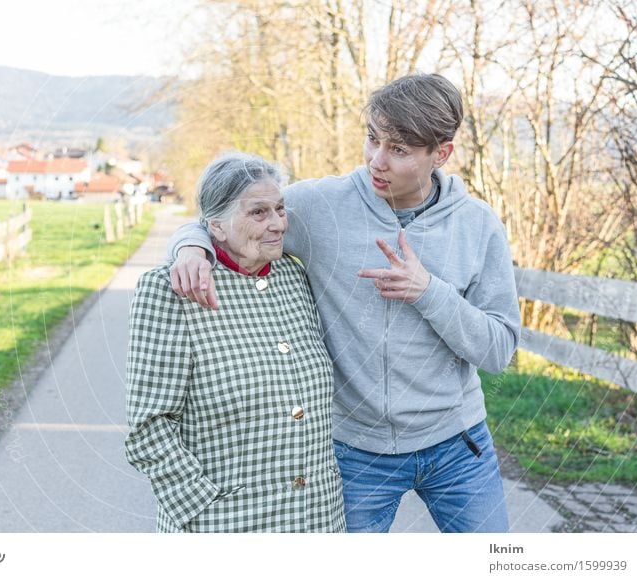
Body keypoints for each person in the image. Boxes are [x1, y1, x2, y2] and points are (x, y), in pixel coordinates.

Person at [167, 73, 521, 533]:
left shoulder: (477, 225)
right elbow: (226, 216)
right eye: (373, 139)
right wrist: (190, 247)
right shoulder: (320, 206)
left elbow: (500, 350)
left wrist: (428, 291)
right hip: (355, 452)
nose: (377, 160)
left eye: (399, 149)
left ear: (441, 153)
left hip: (457, 444)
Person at [125, 152, 346, 533]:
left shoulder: (294, 278)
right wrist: (200, 505)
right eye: (258, 213)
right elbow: (148, 427)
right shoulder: (170, 291)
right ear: (216, 225)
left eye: (280, 209)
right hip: (225, 522)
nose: (278, 224)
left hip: (318, 518)